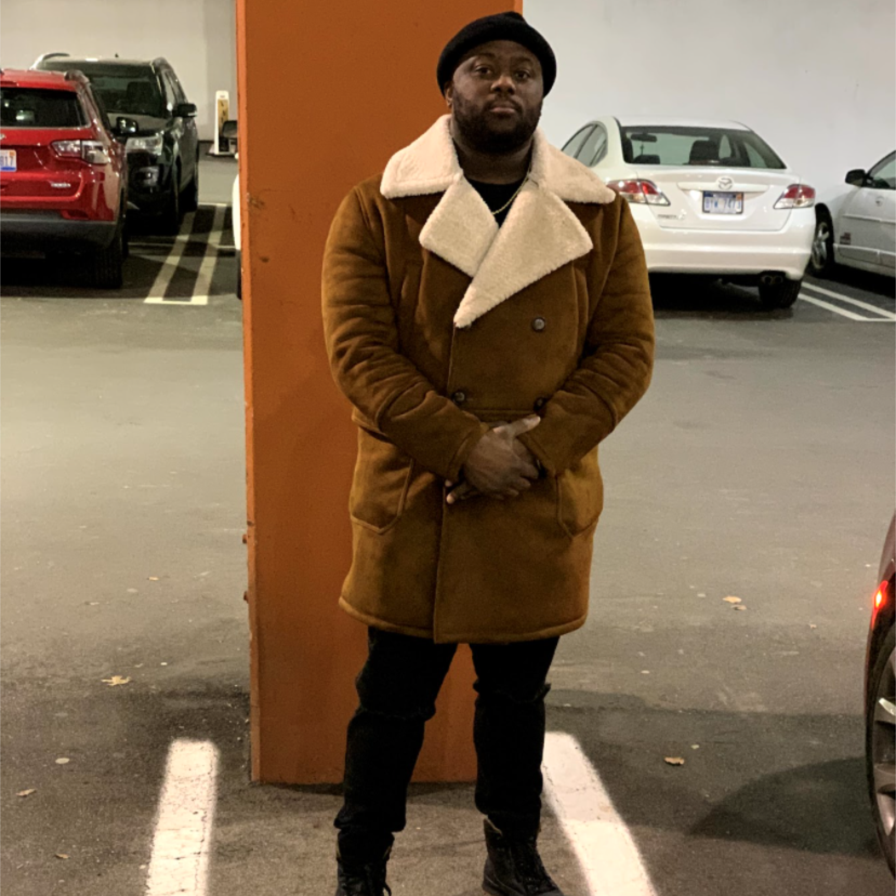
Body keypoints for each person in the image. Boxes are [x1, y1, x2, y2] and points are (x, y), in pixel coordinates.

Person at [321, 11, 655, 896]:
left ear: (543, 94)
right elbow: (360, 354)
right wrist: (464, 446)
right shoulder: (378, 207)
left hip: (535, 494)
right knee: (390, 703)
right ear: (450, 89)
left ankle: (512, 853)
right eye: (482, 68)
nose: (504, 82)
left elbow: (626, 353)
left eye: (522, 71)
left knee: (516, 703)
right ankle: (361, 865)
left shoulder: (598, 216)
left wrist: (537, 449)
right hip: (421, 493)